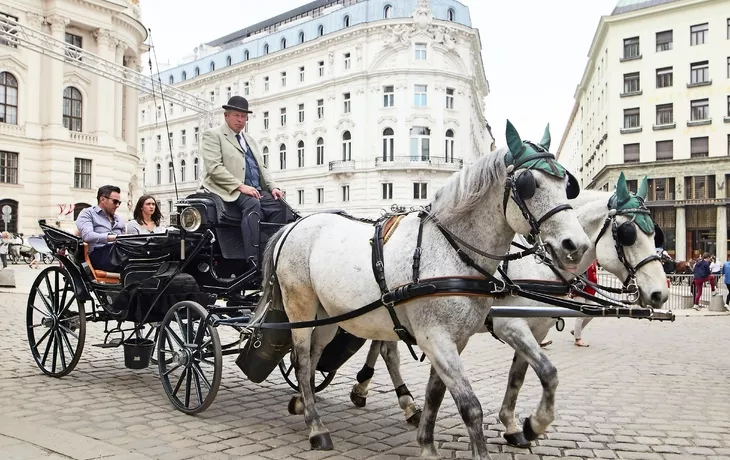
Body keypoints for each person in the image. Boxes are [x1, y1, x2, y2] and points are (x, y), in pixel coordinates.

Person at [201, 96, 287, 264]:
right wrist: (240, 186)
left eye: (243, 117)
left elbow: (261, 168)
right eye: (236, 116)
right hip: (228, 189)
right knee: (252, 204)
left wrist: (273, 187)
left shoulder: (250, 140)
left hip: (255, 189)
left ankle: (270, 254)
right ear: (226, 116)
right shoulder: (213, 135)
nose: (240, 120)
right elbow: (215, 168)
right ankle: (252, 259)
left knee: (280, 206)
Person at [76, 185, 126, 272]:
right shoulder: (88, 213)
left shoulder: (119, 219)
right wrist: (112, 237)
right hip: (97, 255)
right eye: (115, 201)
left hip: (118, 253)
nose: (117, 205)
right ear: (102, 199)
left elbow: (125, 239)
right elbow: (87, 235)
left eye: (119, 202)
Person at [571, 260, 598, 347]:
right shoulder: (584, 259)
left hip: (589, 290)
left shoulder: (593, 260)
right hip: (580, 290)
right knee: (581, 314)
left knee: (592, 312)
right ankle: (577, 339)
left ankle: (576, 331)